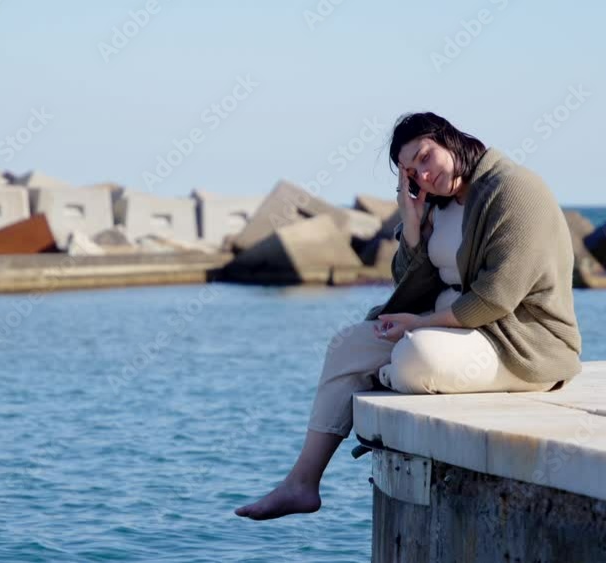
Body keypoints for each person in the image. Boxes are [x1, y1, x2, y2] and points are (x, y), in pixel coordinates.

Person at [234, 112, 582, 520]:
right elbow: (408, 283)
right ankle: (301, 484)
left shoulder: (514, 190)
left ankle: (389, 374)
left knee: (419, 356)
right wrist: (412, 225)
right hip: (449, 331)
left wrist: (417, 325)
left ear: (449, 140)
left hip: (519, 343)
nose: (424, 175)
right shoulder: (439, 202)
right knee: (348, 345)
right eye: (410, 171)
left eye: (425, 157)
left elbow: (496, 298)